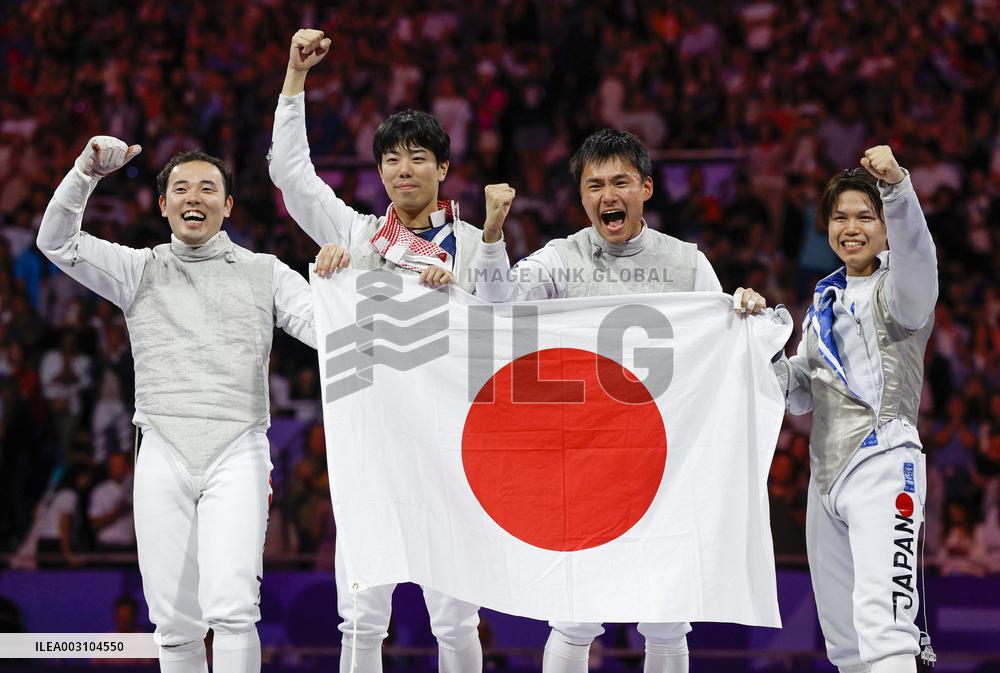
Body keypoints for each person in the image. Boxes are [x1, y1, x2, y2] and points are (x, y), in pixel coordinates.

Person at [474, 128, 767, 673]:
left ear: (646, 189)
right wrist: (493, 233)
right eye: (594, 186)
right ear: (582, 197)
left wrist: (744, 308)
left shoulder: (687, 263)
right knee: (575, 615)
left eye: (621, 183)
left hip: (665, 464)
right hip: (585, 461)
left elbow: (725, 345)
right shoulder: (560, 258)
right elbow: (497, 305)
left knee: (666, 617)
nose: (608, 196)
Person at [37, 138, 319, 673]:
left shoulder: (266, 272)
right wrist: (85, 172)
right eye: (181, 188)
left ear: (228, 205)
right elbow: (57, 242)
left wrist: (346, 281)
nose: (195, 197)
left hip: (238, 449)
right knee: (173, 623)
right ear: (163, 204)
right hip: (162, 450)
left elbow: (327, 329)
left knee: (234, 610)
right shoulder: (139, 269)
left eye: (208, 188)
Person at [269, 28, 487, 673]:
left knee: (456, 615)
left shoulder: (476, 246)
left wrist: (462, 297)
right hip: (373, 444)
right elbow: (291, 176)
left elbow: (506, 328)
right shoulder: (357, 236)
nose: (403, 170)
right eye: (391, 159)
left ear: (443, 169)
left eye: (418, 157)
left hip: (452, 445)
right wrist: (294, 78)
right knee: (362, 615)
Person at [772, 146, 938, 673]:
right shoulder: (822, 300)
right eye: (840, 217)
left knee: (887, 633)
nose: (851, 227)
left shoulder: (903, 289)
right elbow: (799, 391)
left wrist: (897, 188)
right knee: (845, 644)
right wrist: (754, 345)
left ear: (885, 226)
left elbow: (919, 253)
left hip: (885, 466)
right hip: (826, 481)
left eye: (865, 216)